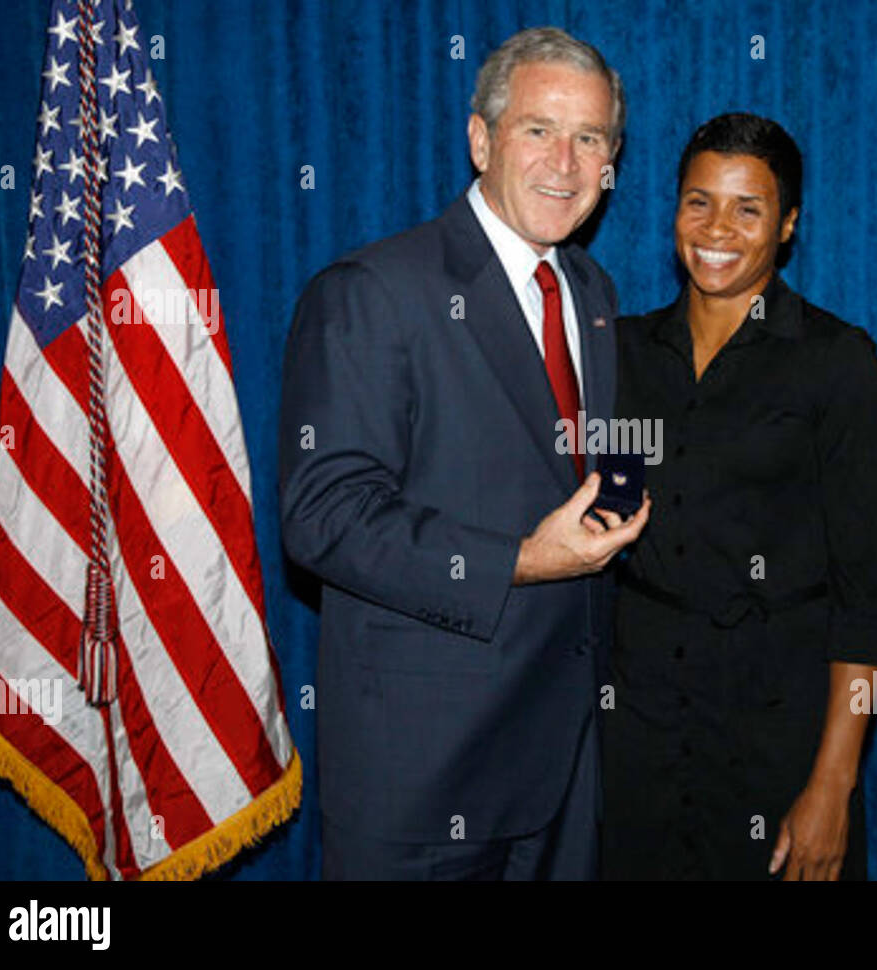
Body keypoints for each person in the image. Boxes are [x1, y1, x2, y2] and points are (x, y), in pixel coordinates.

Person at [278, 27, 649, 881]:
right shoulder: (372, 292)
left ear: (612, 160)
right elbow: (323, 518)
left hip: (564, 776)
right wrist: (521, 561)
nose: (565, 161)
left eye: (590, 138)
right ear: (480, 139)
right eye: (537, 129)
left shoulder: (591, 292)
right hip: (424, 781)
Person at [602, 113, 877, 881]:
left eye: (749, 208)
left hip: (778, 742)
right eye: (699, 201)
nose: (718, 228)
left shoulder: (839, 365)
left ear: (789, 223)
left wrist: (832, 786)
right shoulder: (619, 354)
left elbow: (865, 605)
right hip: (635, 743)